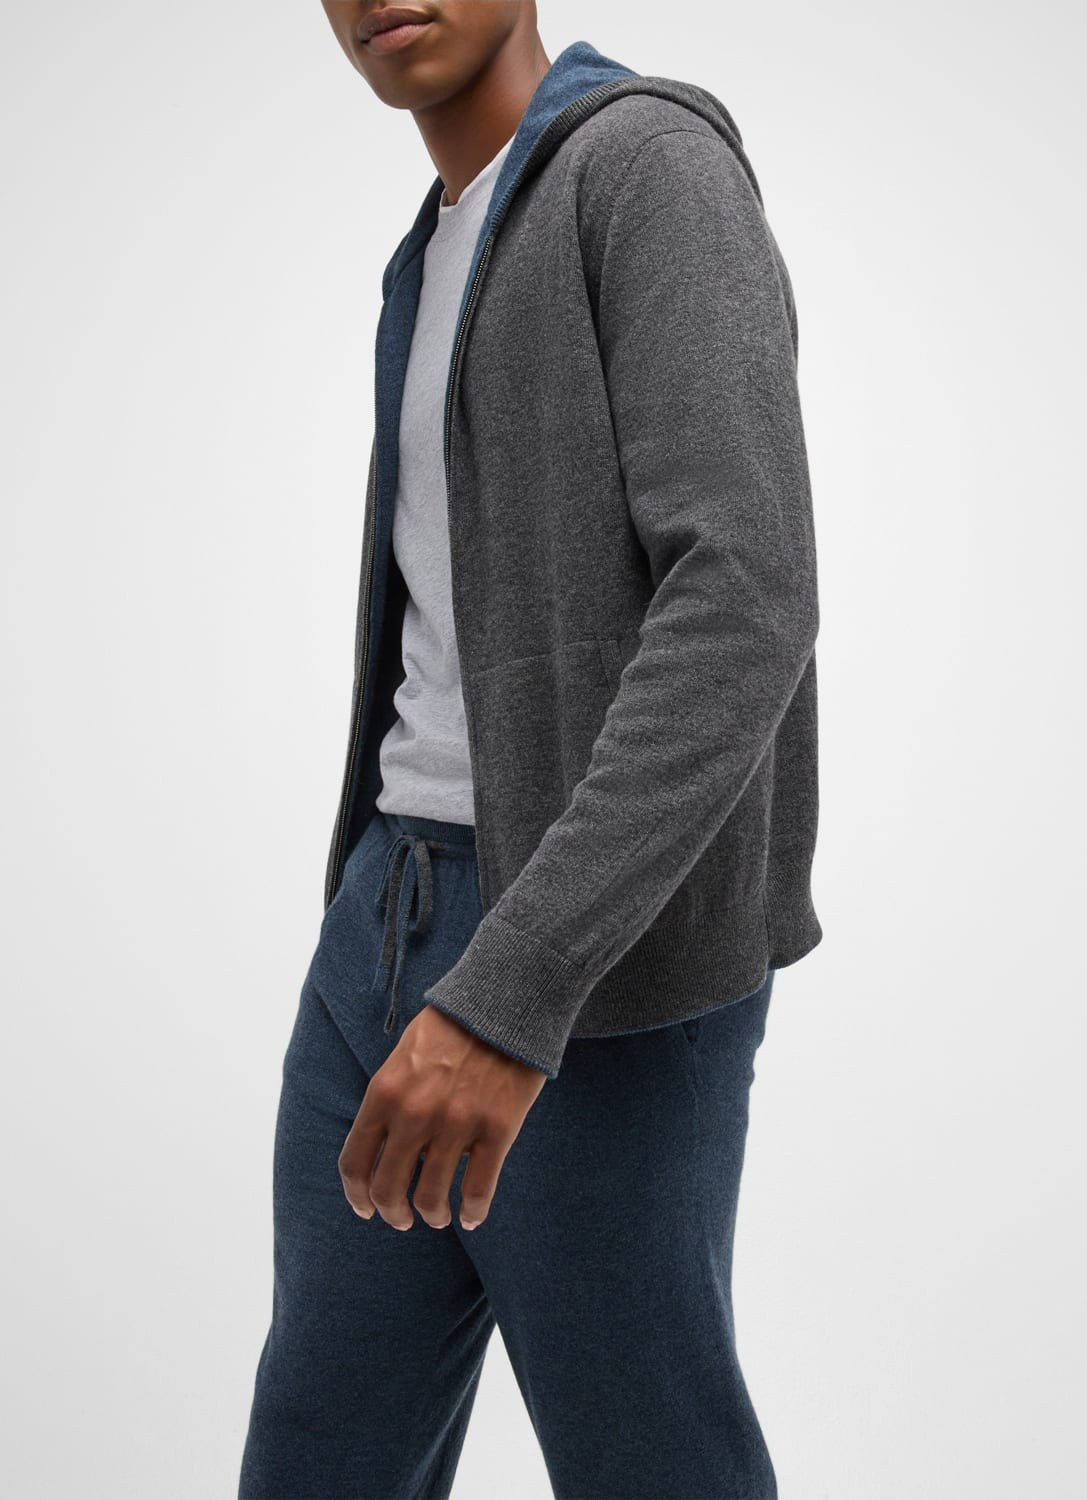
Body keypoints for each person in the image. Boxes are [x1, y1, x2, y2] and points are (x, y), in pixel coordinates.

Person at [238, 5, 821, 1497]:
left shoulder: (648, 170)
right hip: (381, 929)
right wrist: (381, 923)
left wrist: (511, 995)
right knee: (317, 1458)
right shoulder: (430, 248)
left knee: (651, 1464)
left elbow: (744, 600)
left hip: (598, 962)